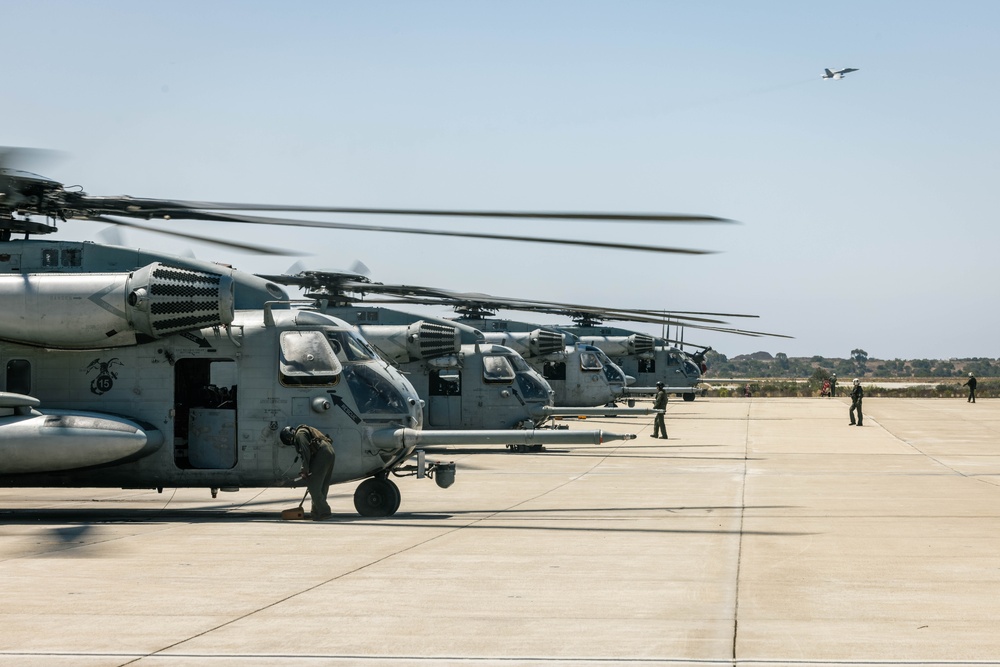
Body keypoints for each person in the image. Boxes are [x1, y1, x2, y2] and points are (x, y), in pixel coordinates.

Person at [280, 424, 336, 520]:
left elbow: (305, 451)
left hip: (322, 454)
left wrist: (304, 470)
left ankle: (325, 511)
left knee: (313, 486)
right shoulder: (305, 431)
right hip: (329, 452)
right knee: (321, 486)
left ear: (289, 437)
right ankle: (316, 513)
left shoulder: (299, 434)